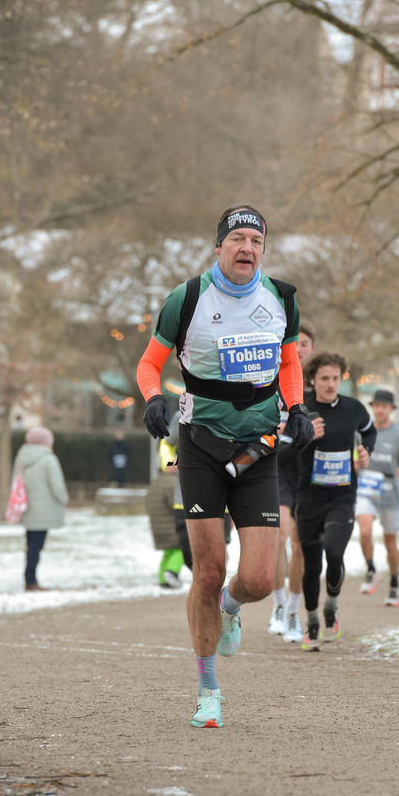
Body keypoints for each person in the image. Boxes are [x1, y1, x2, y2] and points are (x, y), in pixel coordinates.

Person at [137, 204, 314, 729]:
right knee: (209, 571)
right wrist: (153, 397)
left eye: (256, 241)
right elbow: (150, 362)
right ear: (219, 246)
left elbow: (289, 360)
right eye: (237, 239)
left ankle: (231, 608)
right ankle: (208, 690)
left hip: (258, 448)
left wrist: (297, 407)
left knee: (258, 579)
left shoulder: (281, 298)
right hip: (201, 448)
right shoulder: (187, 298)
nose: (247, 248)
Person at [296, 351, 376, 651]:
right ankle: (312, 622)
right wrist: (306, 436)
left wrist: (365, 451)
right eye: (324, 378)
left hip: (342, 495)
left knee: (334, 551)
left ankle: (331, 604)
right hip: (309, 496)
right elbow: (284, 451)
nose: (331, 384)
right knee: (311, 564)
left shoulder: (354, 408)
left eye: (335, 378)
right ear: (312, 379)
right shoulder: (301, 409)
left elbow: (369, 432)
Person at [269, 319, 316, 642]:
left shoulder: (321, 389)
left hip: (308, 475)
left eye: (304, 344)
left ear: (312, 349)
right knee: (278, 537)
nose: (299, 349)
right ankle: (277, 605)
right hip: (278, 472)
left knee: (300, 545)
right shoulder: (271, 383)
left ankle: (292, 612)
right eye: (294, 343)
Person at [355, 389, 399, 606]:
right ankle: (371, 569)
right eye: (377, 406)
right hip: (366, 488)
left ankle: (394, 582)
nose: (380, 410)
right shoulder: (363, 431)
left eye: (384, 406)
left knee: (390, 542)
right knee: (365, 529)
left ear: (391, 409)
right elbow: (355, 453)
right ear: (372, 407)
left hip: (390, 491)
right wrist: (355, 462)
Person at [12, 426, 69, 591]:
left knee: (31, 545)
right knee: (37, 547)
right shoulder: (49, 459)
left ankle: (29, 579)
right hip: (45, 510)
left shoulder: (21, 459)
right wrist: (64, 499)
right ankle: (31, 580)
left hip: (27, 508)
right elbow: (57, 486)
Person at [146, 421, 192, 589]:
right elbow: (177, 503)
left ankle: (162, 579)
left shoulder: (156, 482)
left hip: (158, 527)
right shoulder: (172, 483)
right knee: (181, 550)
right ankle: (172, 572)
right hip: (171, 526)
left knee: (167, 553)